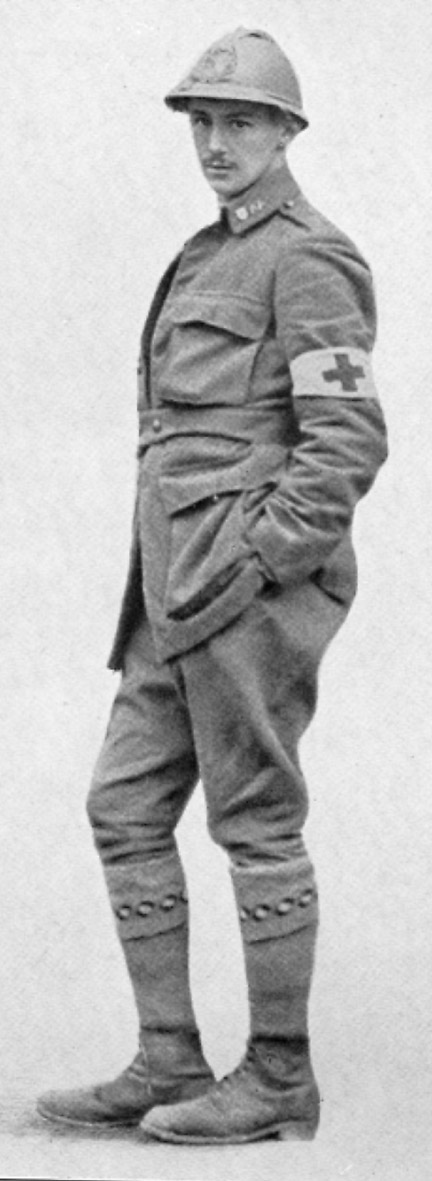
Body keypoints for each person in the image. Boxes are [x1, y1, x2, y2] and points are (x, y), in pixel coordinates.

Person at [37, 27, 387, 1145]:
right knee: (123, 806)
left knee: (256, 819)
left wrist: (264, 556)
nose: (216, 143)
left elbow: (346, 438)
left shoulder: (310, 258)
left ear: (287, 131)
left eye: (240, 122)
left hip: (241, 590)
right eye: (203, 122)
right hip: (169, 586)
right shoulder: (204, 254)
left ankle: (280, 1074)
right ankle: (168, 1056)